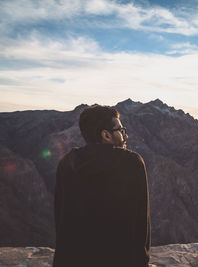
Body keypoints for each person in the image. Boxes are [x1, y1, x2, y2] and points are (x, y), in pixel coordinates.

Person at [53, 105, 150, 267]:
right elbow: (141, 224)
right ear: (106, 135)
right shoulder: (132, 163)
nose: (125, 136)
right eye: (121, 130)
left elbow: (60, 217)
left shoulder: (68, 163)